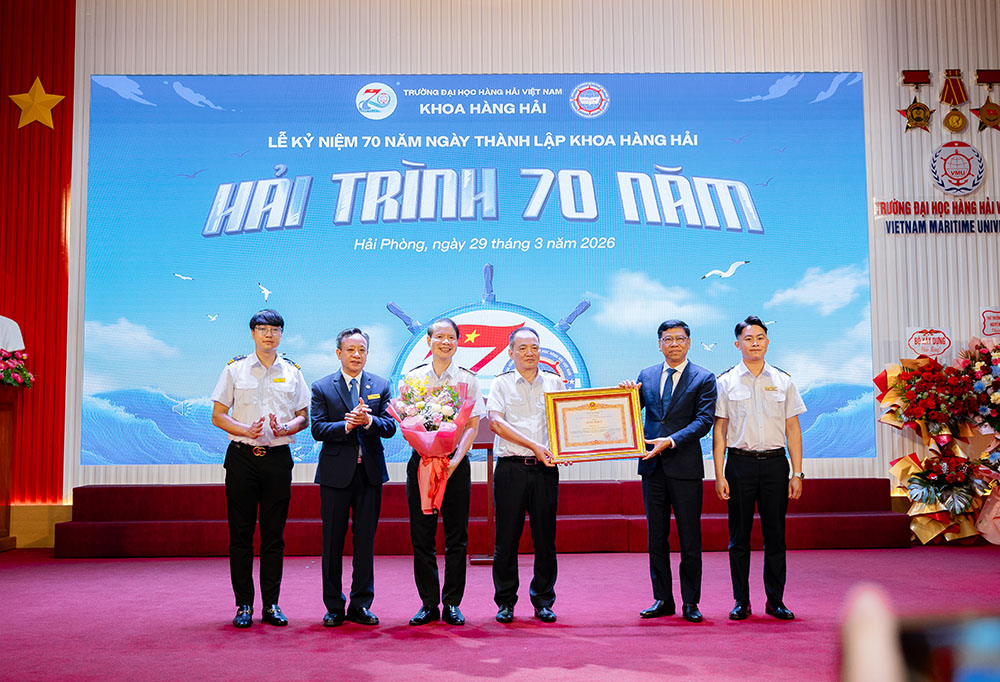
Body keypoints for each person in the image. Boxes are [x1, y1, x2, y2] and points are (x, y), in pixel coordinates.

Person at [210, 309, 309, 629]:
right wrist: (244, 429)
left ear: (281, 334)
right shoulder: (235, 369)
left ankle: (271, 604)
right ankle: (243, 605)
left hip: (278, 460)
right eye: (263, 329)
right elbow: (218, 415)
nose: (269, 334)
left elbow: (303, 417)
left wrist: (287, 427)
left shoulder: (293, 371)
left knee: (273, 535)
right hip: (242, 458)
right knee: (240, 534)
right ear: (252, 333)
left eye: (275, 330)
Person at [620, 320, 717, 623]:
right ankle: (662, 598)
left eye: (680, 338)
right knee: (656, 538)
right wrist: (625, 395)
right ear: (659, 344)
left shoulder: (704, 377)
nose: (674, 344)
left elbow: (704, 421)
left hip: (685, 467)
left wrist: (671, 440)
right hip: (652, 467)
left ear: (689, 342)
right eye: (667, 339)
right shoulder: (646, 375)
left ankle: (690, 602)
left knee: (690, 539)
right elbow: (629, 412)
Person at [713, 315, 805, 621]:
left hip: (776, 466)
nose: (755, 343)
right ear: (737, 344)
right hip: (739, 465)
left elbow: (793, 429)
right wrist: (719, 474)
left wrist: (797, 473)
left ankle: (775, 601)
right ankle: (741, 601)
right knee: (738, 538)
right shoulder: (725, 382)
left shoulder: (783, 380)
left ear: (767, 341)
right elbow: (719, 431)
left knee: (775, 536)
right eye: (748, 339)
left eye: (760, 338)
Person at [311, 328, 396, 627]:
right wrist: (346, 426)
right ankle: (334, 606)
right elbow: (317, 429)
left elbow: (391, 427)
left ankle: (361, 604)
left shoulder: (381, 385)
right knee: (332, 543)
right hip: (335, 476)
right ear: (339, 353)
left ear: (367, 353)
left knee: (364, 543)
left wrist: (369, 421)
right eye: (350, 350)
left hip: (369, 475)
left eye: (362, 350)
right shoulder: (322, 387)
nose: (356, 355)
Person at [404, 318, 485, 627]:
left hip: (455, 465)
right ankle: (428, 603)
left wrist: (455, 460)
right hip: (423, 463)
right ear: (429, 341)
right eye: (439, 337)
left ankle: (452, 602)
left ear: (457, 342)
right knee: (422, 536)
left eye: (451, 337)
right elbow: (407, 421)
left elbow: (472, 426)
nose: (445, 342)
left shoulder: (468, 379)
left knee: (456, 537)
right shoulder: (413, 379)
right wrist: (427, 451)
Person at [487, 327, 564, 624]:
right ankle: (506, 601)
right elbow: (495, 423)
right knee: (506, 539)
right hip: (511, 468)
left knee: (545, 538)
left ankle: (543, 600)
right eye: (522, 348)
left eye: (534, 347)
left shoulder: (555, 383)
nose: (529, 353)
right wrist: (535, 446)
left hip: (545, 469)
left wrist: (569, 448)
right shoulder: (501, 384)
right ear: (511, 352)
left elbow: (568, 422)